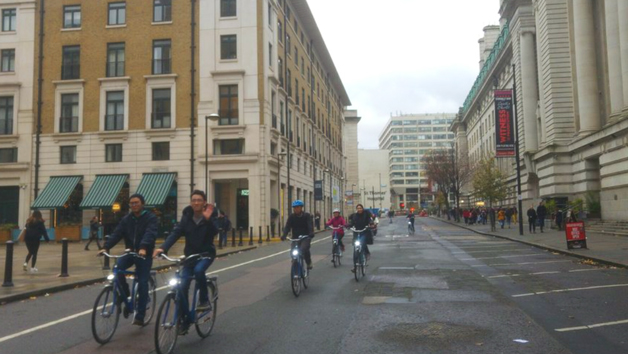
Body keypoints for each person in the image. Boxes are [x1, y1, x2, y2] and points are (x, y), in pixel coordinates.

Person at [153, 190, 218, 334]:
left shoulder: (209, 217)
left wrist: (208, 220)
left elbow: (215, 231)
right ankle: (185, 320)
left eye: (199, 200)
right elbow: (176, 233)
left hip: (206, 254)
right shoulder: (186, 217)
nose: (196, 202)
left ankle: (203, 300)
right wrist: (162, 248)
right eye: (193, 200)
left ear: (204, 203)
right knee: (181, 287)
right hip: (190, 257)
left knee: (199, 271)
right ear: (190, 202)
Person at [100, 194, 157, 326]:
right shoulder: (127, 219)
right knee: (117, 268)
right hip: (130, 252)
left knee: (142, 282)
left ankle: (140, 316)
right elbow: (117, 233)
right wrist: (106, 247)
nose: (134, 205)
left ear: (142, 204)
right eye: (131, 203)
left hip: (144, 254)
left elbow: (150, 233)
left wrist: (143, 247)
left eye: (136, 203)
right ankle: (125, 292)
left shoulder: (150, 218)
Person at [282, 200, 315, 270]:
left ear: (301, 208)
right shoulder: (291, 217)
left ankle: (308, 262)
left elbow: (309, 225)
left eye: (297, 207)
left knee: (304, 249)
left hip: (305, 237)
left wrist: (311, 233)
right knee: (292, 252)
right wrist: (284, 235)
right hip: (295, 238)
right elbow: (287, 226)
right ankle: (295, 261)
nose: (296, 209)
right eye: (294, 208)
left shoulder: (306, 216)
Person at [347, 204, 374, 272]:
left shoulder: (366, 214)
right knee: (355, 250)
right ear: (356, 209)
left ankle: (366, 254)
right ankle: (355, 267)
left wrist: (370, 224)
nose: (359, 209)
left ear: (362, 208)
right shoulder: (355, 216)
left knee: (362, 242)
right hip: (356, 233)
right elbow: (352, 223)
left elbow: (369, 220)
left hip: (364, 232)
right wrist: (348, 225)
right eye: (358, 208)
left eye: (360, 208)